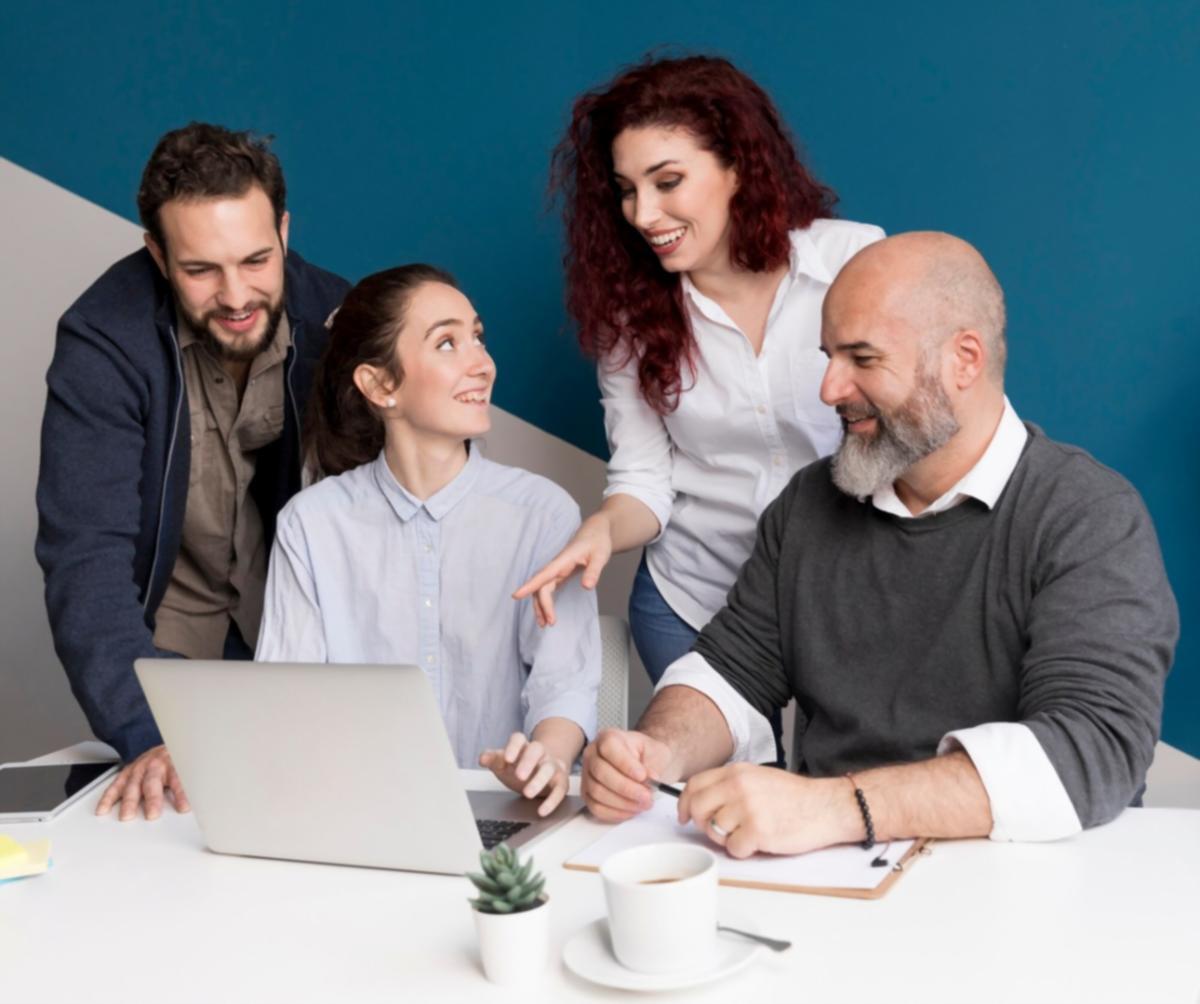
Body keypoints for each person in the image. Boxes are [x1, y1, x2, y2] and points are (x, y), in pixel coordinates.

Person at [581, 232, 1178, 854]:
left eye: (862, 359)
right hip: (834, 877)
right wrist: (656, 750)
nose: (829, 389)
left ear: (964, 360)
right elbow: (732, 672)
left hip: (1022, 877)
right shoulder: (809, 504)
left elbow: (1094, 747)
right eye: (828, 356)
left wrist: (839, 806)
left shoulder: (1088, 516)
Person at [516, 54, 885, 697]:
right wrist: (600, 531)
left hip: (849, 602)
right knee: (707, 797)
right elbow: (643, 481)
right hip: (693, 604)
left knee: (831, 790)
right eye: (627, 189)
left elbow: (910, 435)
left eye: (667, 181)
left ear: (737, 167)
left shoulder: (855, 262)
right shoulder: (628, 319)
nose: (641, 213)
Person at [35, 123, 350, 821]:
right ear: (156, 252)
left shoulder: (339, 321)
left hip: (301, 645)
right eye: (200, 270)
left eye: (257, 260)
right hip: (167, 653)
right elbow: (85, 558)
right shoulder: (102, 340)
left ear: (285, 230)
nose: (236, 295)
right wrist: (153, 732)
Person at [255, 265, 600, 815]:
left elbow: (565, 685)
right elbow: (284, 705)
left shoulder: (544, 514)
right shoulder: (311, 525)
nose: (482, 364)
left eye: (478, 338)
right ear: (379, 385)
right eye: (447, 342)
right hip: (355, 817)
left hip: (507, 814)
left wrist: (545, 760)